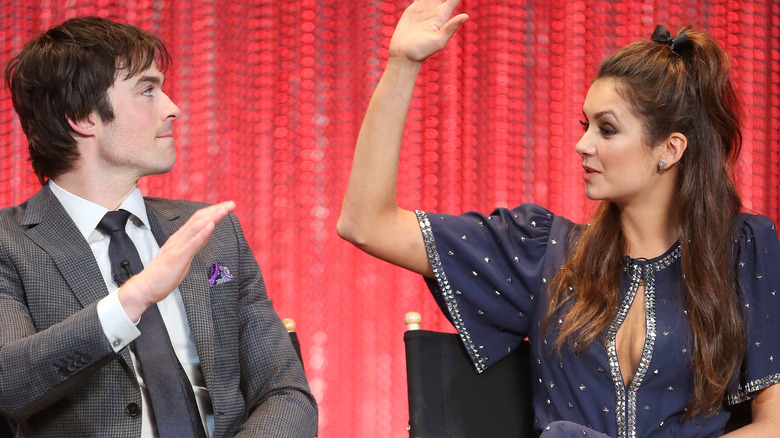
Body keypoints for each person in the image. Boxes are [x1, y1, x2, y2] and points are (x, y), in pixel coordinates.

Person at [337, 0, 780, 436]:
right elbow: (365, 224)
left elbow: (774, 424)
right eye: (583, 124)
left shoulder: (743, 248)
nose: (582, 144)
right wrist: (402, 63)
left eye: (606, 129)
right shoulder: (542, 252)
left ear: (670, 149)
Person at [0, 16, 317, 437]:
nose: (173, 107)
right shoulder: (11, 242)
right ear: (82, 116)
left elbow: (286, 393)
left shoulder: (213, 233)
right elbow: (10, 385)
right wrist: (134, 299)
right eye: (147, 91)